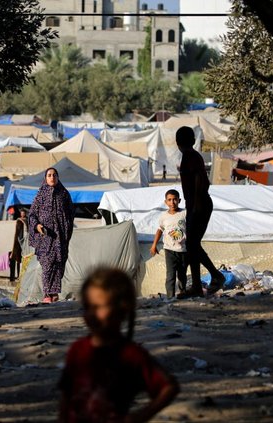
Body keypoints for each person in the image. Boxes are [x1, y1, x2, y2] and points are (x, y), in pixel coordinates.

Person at [59, 267, 179, 423]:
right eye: (88, 307)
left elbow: (168, 387)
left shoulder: (130, 355)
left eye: (98, 307)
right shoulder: (78, 349)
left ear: (121, 309)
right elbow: (66, 395)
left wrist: (139, 417)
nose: (91, 314)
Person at [176, 126, 225, 298]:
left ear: (177, 142)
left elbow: (200, 180)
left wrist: (196, 205)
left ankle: (214, 276)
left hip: (200, 203)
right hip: (196, 203)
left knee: (192, 244)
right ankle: (199, 284)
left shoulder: (191, 157)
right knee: (192, 244)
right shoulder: (190, 156)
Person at [29, 167, 74, 304]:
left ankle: (54, 294)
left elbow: (71, 213)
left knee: (58, 265)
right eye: (49, 175)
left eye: (54, 175)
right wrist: (37, 226)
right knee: (47, 264)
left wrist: (66, 228)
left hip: (60, 237)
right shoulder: (40, 195)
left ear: (58, 177)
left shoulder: (64, 194)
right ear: (45, 178)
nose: (52, 177)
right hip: (45, 237)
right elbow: (32, 215)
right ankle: (47, 293)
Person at [150, 189, 187, 299]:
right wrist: (154, 245)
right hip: (169, 250)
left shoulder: (184, 213)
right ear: (166, 202)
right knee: (170, 275)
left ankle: (182, 293)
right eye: (169, 200)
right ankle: (170, 297)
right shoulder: (164, 217)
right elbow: (160, 230)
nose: (172, 202)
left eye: (175, 199)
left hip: (183, 250)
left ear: (179, 200)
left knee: (182, 274)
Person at [9, 208, 28, 281]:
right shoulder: (18, 220)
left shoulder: (26, 220)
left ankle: (22, 275)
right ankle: (17, 275)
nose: (22, 214)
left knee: (23, 258)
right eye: (21, 213)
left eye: (23, 213)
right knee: (17, 259)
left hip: (24, 241)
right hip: (18, 241)